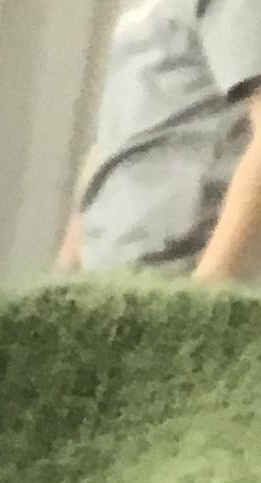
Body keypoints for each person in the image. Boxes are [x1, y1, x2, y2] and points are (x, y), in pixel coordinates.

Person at [62, 0, 261, 284]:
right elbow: (113, 146)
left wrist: (205, 293)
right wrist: (65, 274)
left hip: (176, 273)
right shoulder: (139, 13)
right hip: (105, 276)